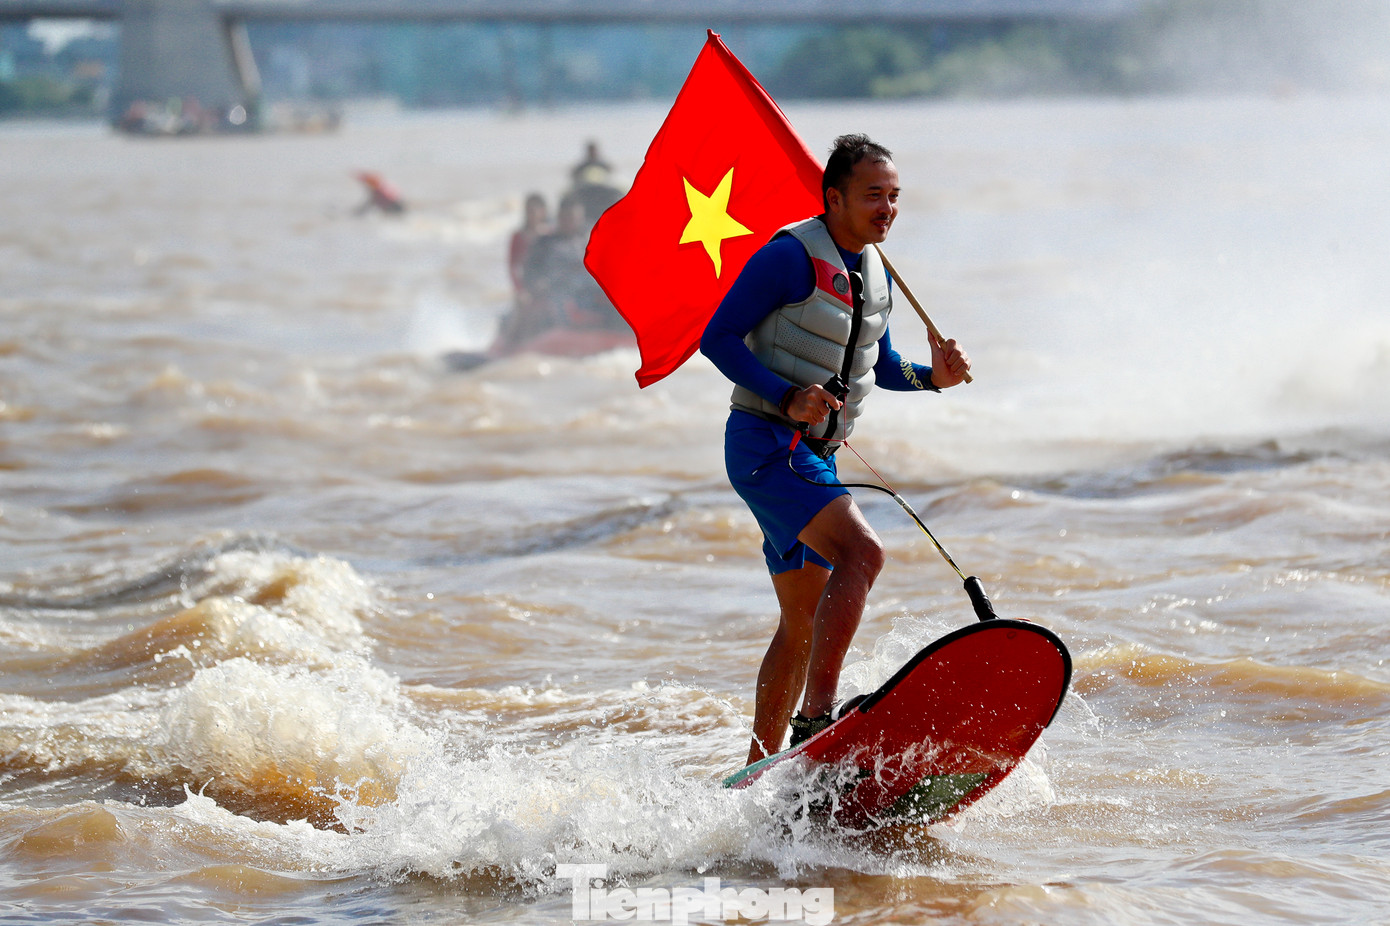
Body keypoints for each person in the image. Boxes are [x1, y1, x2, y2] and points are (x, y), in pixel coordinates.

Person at [699, 134, 972, 766]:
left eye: (895, 196)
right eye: (873, 195)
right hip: (767, 442)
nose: (887, 209)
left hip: (813, 455)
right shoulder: (789, 257)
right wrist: (787, 393)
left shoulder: (874, 271)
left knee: (800, 625)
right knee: (863, 552)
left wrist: (935, 378)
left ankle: (760, 770)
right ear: (835, 198)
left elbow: (882, 363)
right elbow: (718, 337)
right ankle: (817, 719)